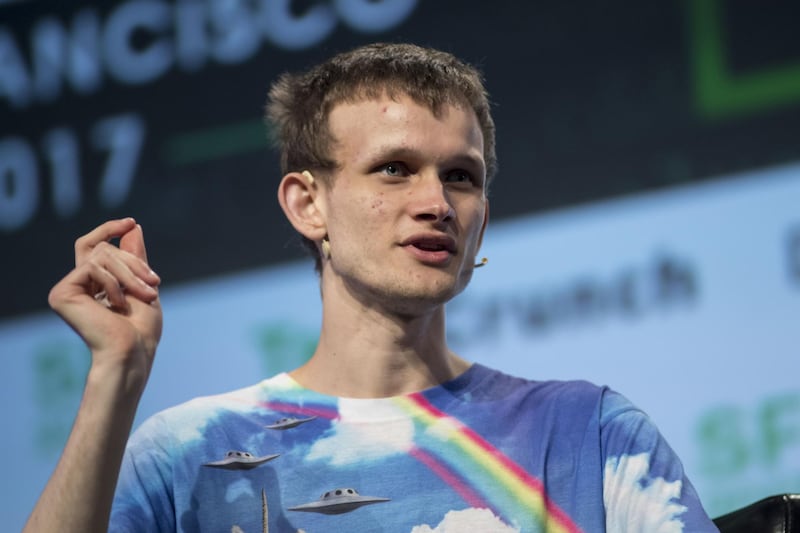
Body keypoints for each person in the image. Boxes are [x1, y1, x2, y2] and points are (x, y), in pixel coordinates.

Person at [24, 43, 719, 532]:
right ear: (307, 203)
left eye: (461, 176)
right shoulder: (187, 450)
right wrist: (117, 372)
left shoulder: (589, 433)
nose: (436, 203)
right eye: (394, 169)